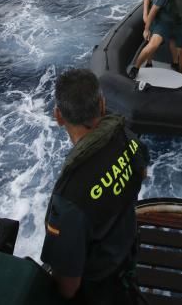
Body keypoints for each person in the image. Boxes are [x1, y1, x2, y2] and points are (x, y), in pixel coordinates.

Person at [41, 68, 149, 304]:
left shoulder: (69, 199)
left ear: (58, 117)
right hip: (128, 254)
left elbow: (69, 288)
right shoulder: (126, 136)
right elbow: (142, 172)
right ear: (102, 105)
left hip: (102, 290)